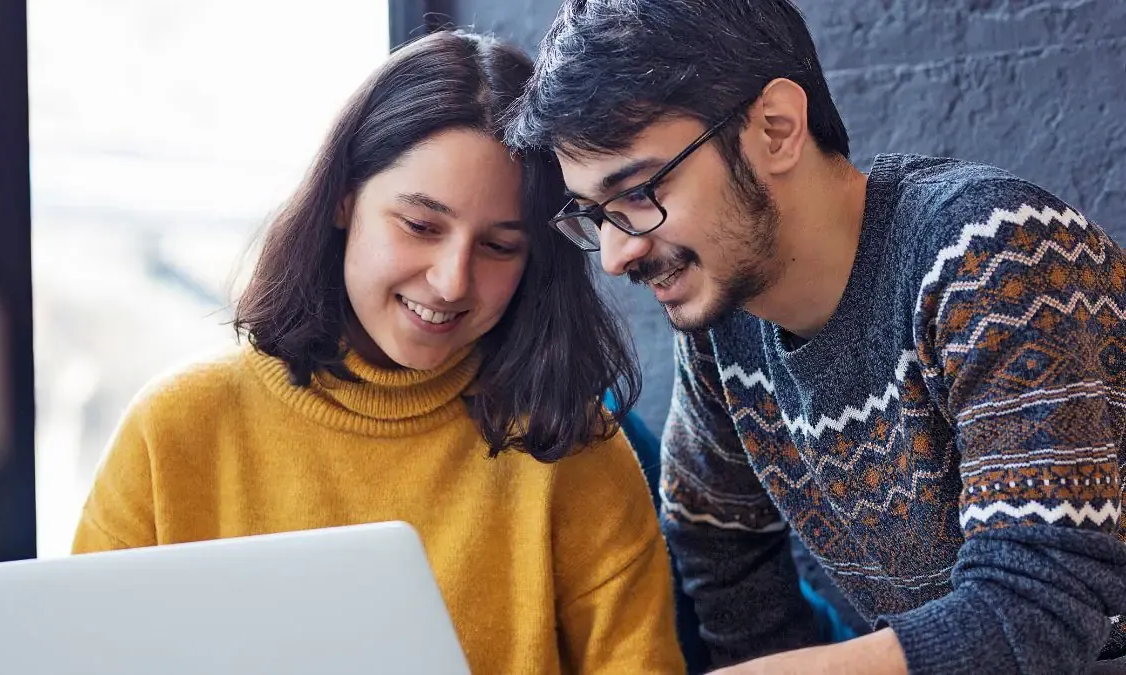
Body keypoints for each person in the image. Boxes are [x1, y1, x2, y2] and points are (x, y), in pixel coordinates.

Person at [507, 1, 1126, 673]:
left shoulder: (993, 254)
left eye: (637, 192)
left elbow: (1044, 605)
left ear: (776, 128)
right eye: (595, 215)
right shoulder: (725, 320)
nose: (615, 255)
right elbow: (717, 540)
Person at [72, 29, 686, 674]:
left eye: (499, 247)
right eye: (420, 226)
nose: (451, 282)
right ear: (345, 198)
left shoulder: (571, 449)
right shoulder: (174, 430)